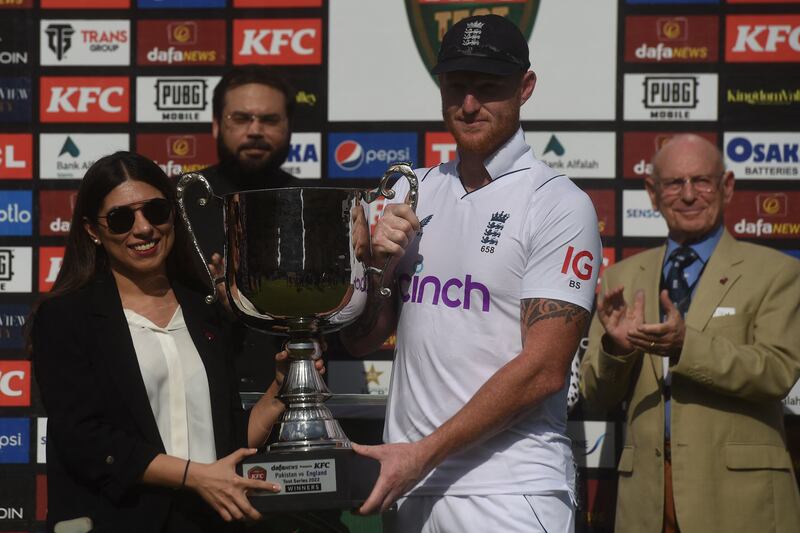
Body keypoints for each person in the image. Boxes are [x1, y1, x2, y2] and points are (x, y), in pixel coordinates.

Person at [342, 15, 602, 532]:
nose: (468, 104)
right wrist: (376, 269)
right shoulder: (409, 190)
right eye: (456, 85)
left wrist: (422, 453)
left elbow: (545, 369)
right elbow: (360, 340)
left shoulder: (557, 203)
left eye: (488, 87)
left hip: (509, 490)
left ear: (525, 87)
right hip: (411, 484)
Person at [29, 152, 310, 532]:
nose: (144, 228)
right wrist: (195, 476)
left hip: (210, 523)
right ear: (93, 230)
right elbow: (84, 439)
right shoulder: (65, 317)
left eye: (156, 211)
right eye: (121, 218)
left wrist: (280, 389)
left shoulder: (205, 311)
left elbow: (226, 438)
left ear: (173, 214)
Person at [580, 134, 800, 533]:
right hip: (646, 500)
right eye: (673, 183)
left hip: (739, 500)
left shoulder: (777, 273)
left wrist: (687, 347)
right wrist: (617, 349)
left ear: (726, 187)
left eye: (701, 181)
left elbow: (777, 372)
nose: (688, 195)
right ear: (652, 193)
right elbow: (598, 395)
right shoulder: (620, 278)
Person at [182, 65, 303, 393]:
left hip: (291, 395)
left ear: (289, 127)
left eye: (269, 120)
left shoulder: (315, 205)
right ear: (216, 125)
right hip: (193, 396)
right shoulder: (177, 202)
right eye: (241, 118)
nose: (255, 131)